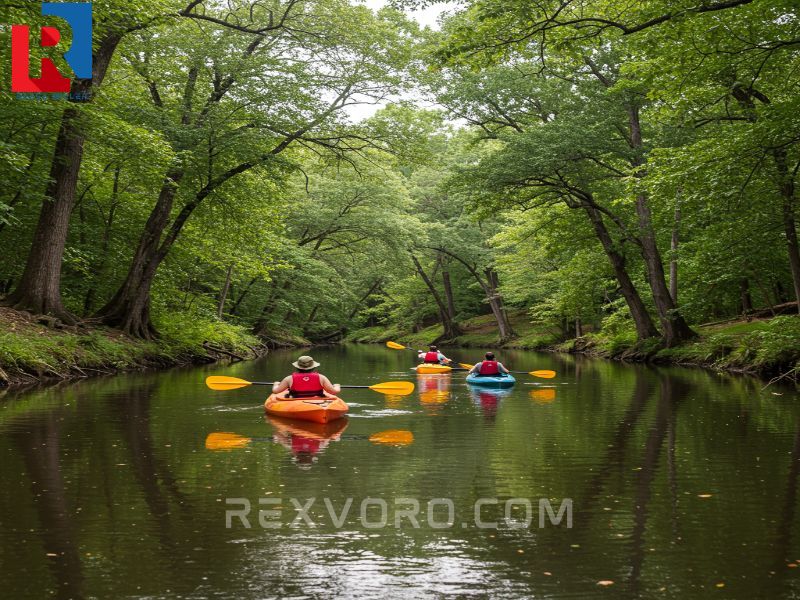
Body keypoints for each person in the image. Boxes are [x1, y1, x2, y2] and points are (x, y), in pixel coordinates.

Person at [272, 355, 341, 398]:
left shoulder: (289, 379)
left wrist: (276, 384)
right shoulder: (321, 377)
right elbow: (334, 392)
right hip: (317, 401)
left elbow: (276, 391)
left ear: (298, 367)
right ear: (313, 367)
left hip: (296, 401)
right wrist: (337, 386)